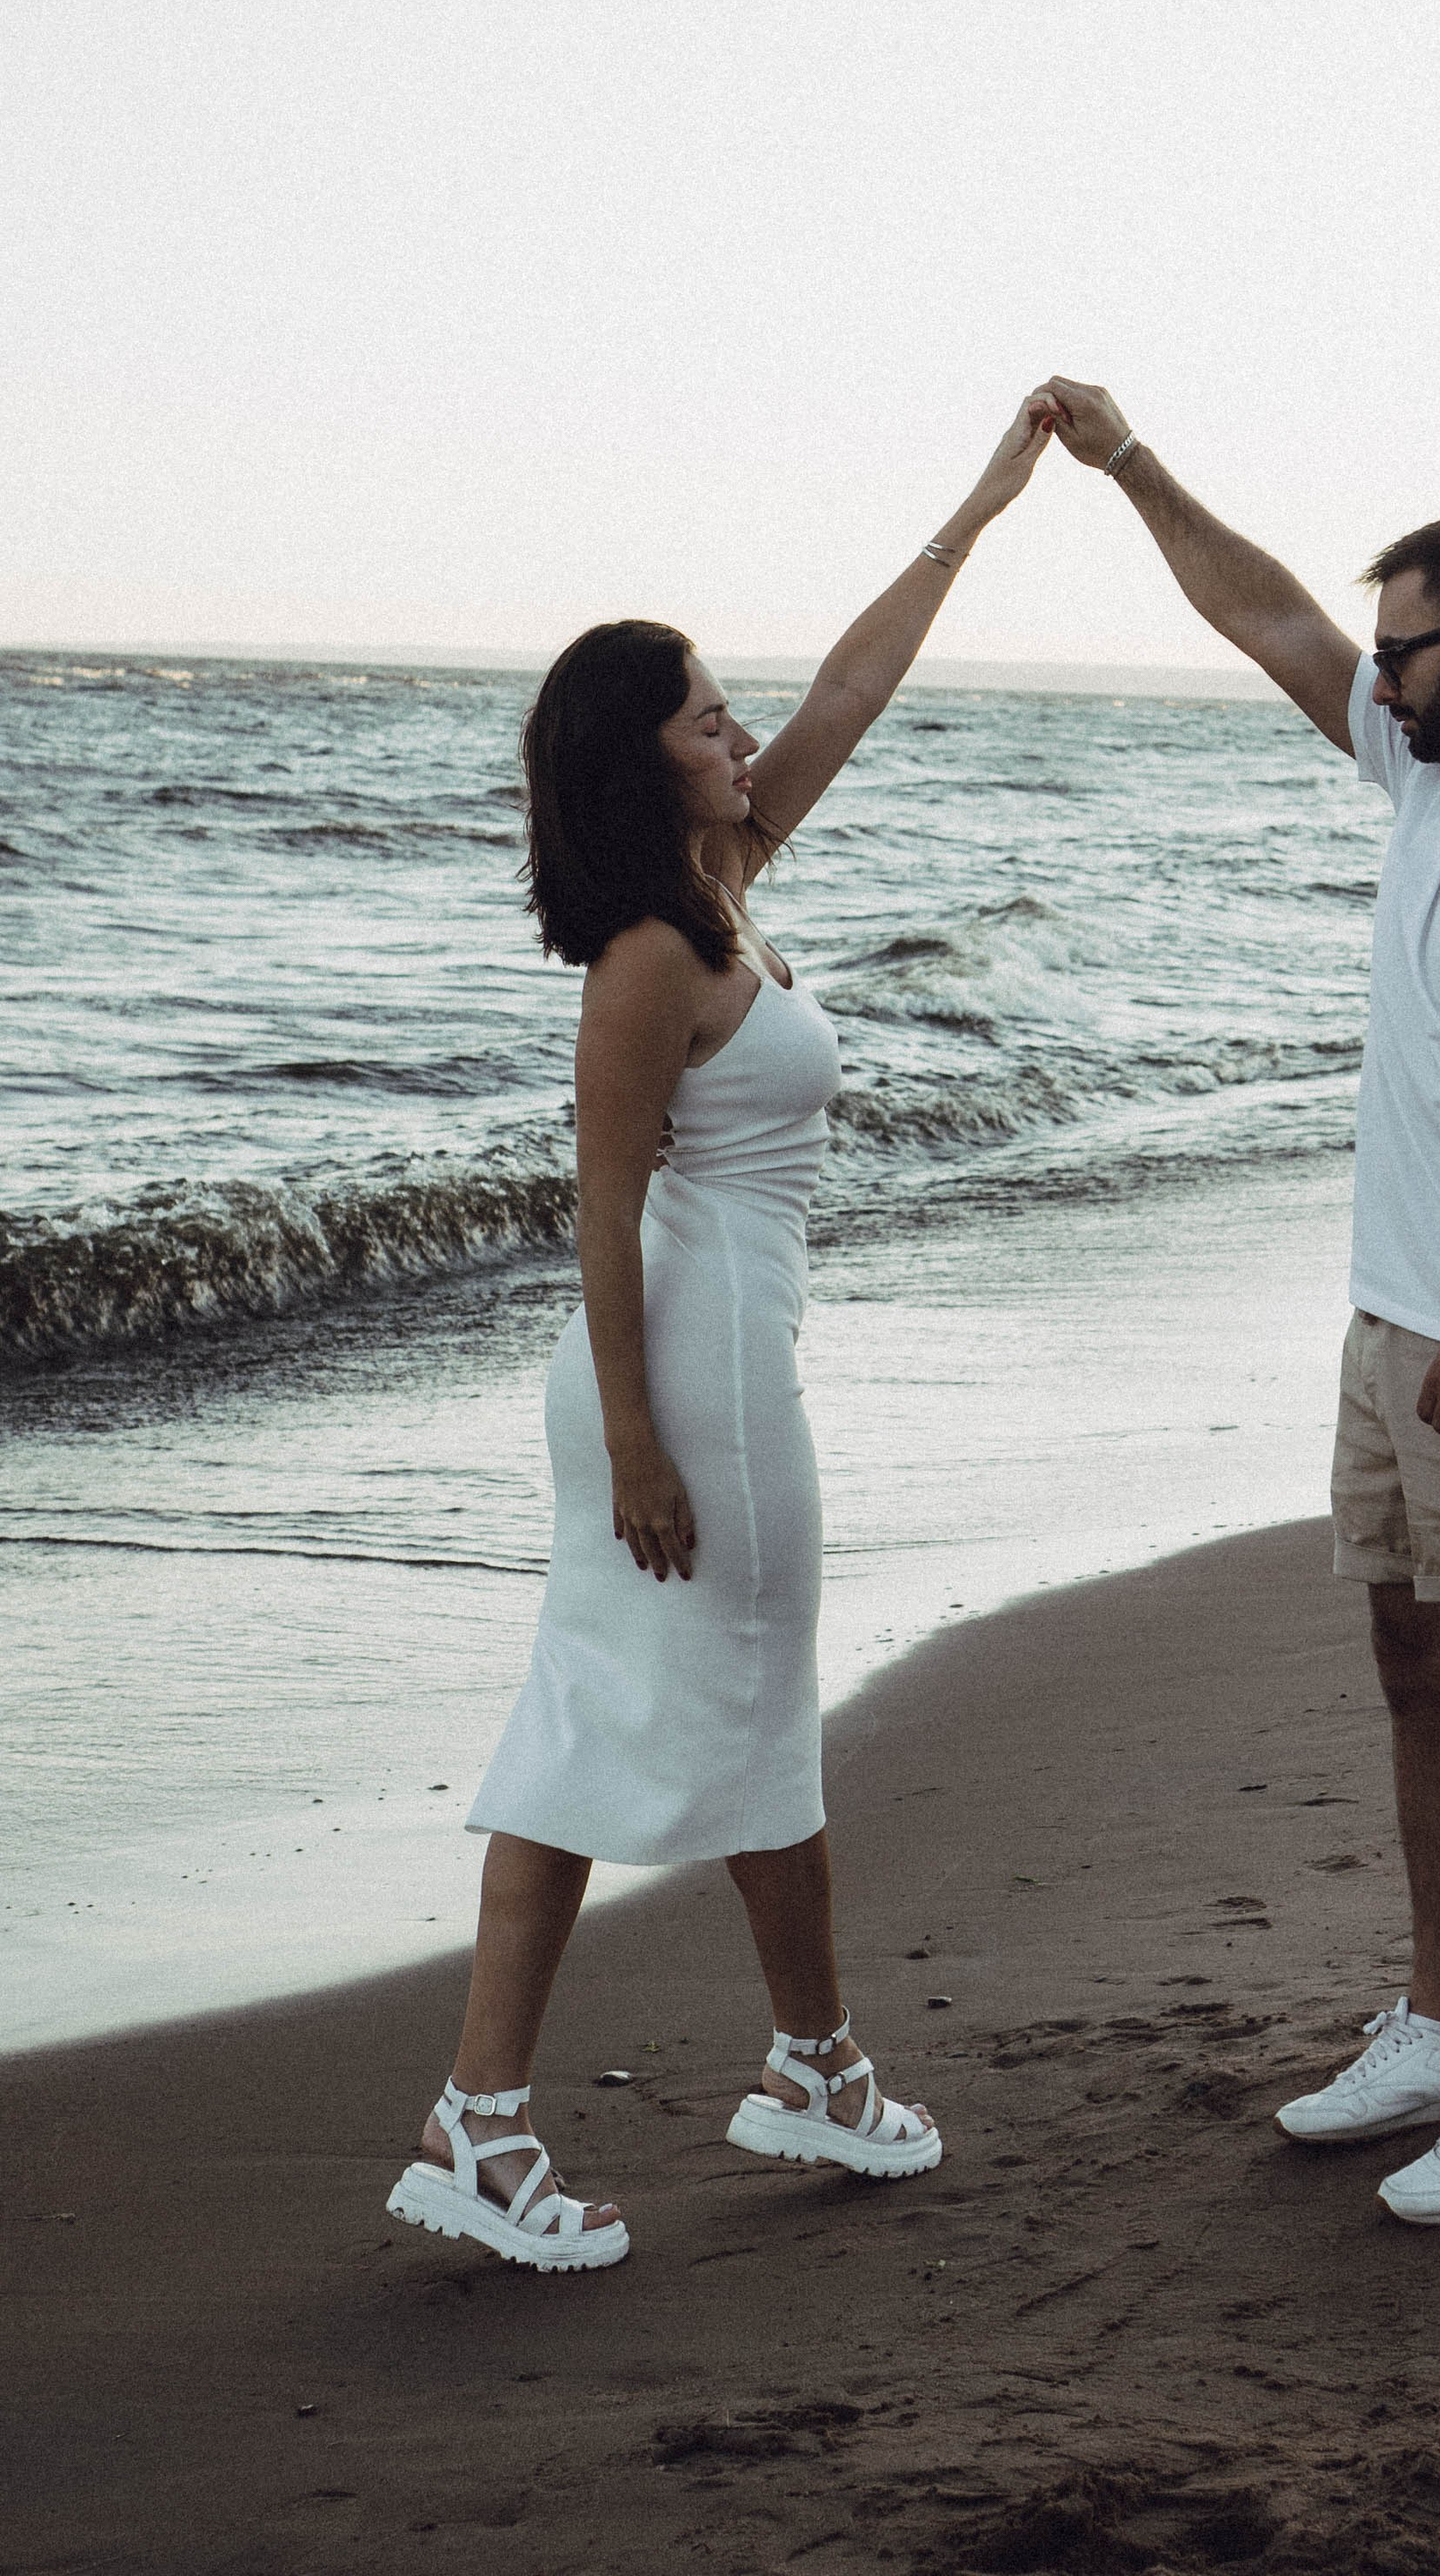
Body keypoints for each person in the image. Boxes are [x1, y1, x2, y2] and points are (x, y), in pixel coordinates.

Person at [385, 398, 1053, 2270]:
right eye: (702, 714)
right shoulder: (648, 961)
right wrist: (644, 1444)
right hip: (684, 1374)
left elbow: (856, 684)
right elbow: (597, 1212)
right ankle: (644, 2095)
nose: (739, 730)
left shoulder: (726, 883)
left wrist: (985, 501)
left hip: (703, 1366)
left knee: (662, 1719)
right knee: (698, 1718)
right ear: (636, 763)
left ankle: (690, 2082)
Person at [1036, 378, 1440, 2229]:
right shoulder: (1426, 778)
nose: (1372, 677)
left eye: (1405, 650)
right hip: (1392, 1325)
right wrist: (1127, 464)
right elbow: (1260, 615)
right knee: (1416, 1672)